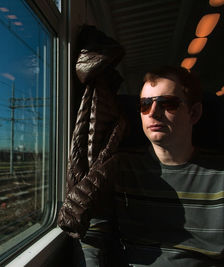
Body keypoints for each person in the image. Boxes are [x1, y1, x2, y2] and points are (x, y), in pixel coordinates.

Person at [59, 65, 224, 266]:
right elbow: (94, 232)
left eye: (167, 103)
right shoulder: (119, 168)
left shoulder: (219, 176)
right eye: (145, 105)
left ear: (194, 113)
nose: (153, 113)